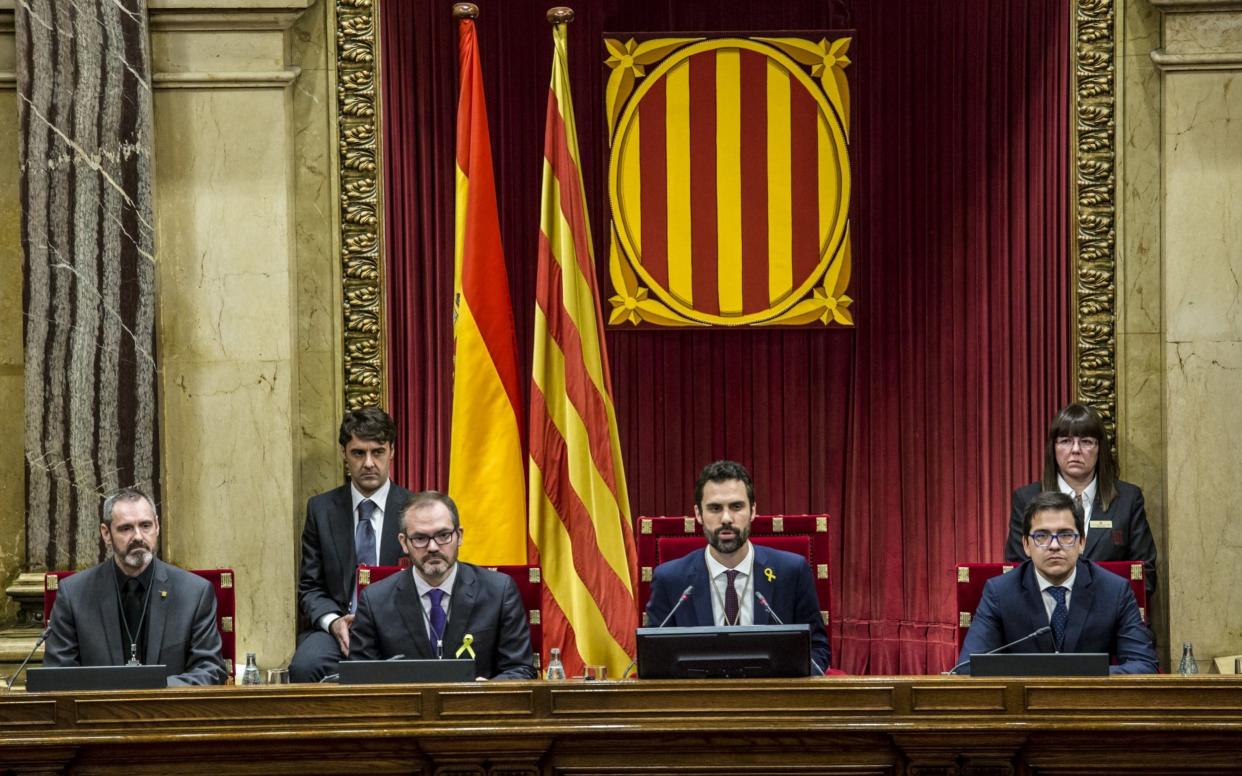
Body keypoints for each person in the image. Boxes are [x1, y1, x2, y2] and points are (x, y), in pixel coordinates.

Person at [645, 460, 831, 673]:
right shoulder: (671, 580)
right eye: (715, 508)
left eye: (736, 507)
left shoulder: (791, 572)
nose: (726, 518)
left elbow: (817, 650)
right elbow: (655, 659)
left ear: (752, 511)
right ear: (698, 514)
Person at [42, 489, 227, 686]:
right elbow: (58, 674)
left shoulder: (194, 593)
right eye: (126, 528)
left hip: (168, 713)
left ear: (157, 526)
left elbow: (210, 669)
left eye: (145, 525)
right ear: (106, 534)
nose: (138, 536)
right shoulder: (74, 594)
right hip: (99, 714)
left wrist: (153, 690)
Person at [960, 490, 1156, 674]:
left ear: (1081, 543)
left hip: (1089, 705)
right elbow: (968, 668)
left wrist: (1073, 676)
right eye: (1042, 536)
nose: (1054, 546)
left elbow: (1144, 666)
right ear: (1026, 546)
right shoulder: (1000, 593)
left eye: (1065, 535)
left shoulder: (1115, 591)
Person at [349, 491, 536, 679]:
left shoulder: (499, 591)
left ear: (459, 536)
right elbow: (361, 681)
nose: (433, 547)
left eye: (443, 535)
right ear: (404, 543)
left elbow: (520, 669)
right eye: (420, 538)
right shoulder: (374, 601)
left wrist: (485, 693)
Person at [289, 407, 413, 682]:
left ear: (392, 452)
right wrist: (334, 623)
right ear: (344, 455)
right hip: (339, 628)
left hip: (401, 627)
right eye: (359, 453)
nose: (369, 463)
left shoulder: (415, 510)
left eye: (377, 452)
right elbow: (310, 588)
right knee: (304, 667)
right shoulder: (321, 510)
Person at [1005, 403, 1157, 600]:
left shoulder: (1128, 499)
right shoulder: (1026, 499)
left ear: (1099, 448)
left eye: (1086, 441)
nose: (1076, 450)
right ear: (1053, 448)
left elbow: (1146, 576)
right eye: (1066, 441)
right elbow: (1017, 572)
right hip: (1047, 620)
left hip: (1110, 623)